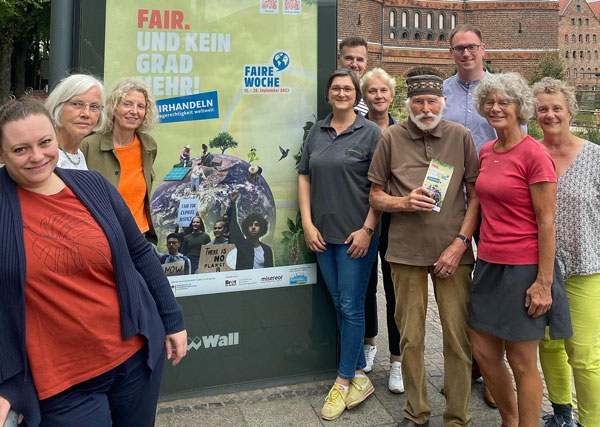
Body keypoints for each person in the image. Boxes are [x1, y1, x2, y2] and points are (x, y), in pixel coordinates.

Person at [0, 98, 187, 427]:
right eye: (20, 149)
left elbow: (140, 253)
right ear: (2, 155)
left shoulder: (93, 187)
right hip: (61, 382)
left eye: (45, 142)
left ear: (55, 138)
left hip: (133, 358)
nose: (37, 156)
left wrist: (173, 320)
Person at [369, 74, 479, 427]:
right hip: (405, 253)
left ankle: (457, 417)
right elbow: (375, 195)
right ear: (408, 105)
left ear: (443, 102)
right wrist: (402, 202)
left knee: (458, 339)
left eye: (432, 101)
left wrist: (460, 244)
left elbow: (475, 196)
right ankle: (416, 413)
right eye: (419, 102)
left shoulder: (460, 137)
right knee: (411, 338)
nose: (426, 108)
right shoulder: (391, 137)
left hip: (453, 251)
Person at [470, 72, 572, 427]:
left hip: (524, 268)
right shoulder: (486, 150)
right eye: (490, 102)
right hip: (488, 264)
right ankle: (509, 419)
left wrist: (544, 282)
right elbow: (479, 204)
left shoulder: (534, 154)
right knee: (483, 350)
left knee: (522, 359)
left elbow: (547, 222)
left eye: (504, 102)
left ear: (520, 108)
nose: (495, 108)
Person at [298, 69, 381, 421]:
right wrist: (306, 223)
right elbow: (304, 175)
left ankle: (344, 380)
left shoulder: (371, 132)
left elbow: (380, 185)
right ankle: (361, 374)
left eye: (348, 88)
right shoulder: (317, 130)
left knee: (350, 305)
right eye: (336, 88)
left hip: (355, 238)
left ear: (356, 94)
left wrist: (367, 229)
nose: (342, 93)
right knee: (339, 303)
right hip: (323, 234)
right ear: (328, 94)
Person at [534, 77, 600, 427]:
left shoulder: (595, 157)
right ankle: (561, 414)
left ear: (570, 111)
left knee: (586, 354)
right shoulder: (530, 154)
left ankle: (591, 421)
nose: (550, 114)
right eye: (543, 108)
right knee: (549, 345)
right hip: (541, 268)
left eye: (556, 107)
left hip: (586, 266)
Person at [442, 23, 497, 408]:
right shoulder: (440, 93)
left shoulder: (500, 89)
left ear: (482, 48)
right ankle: (467, 367)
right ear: (451, 52)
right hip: (452, 202)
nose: (466, 53)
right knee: (460, 289)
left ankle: (494, 372)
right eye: (459, 48)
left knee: (492, 286)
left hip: (492, 200)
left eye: (471, 47)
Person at [359, 67, 404, 394]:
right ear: (365, 96)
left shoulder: (402, 132)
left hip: (393, 219)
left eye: (383, 91)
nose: (378, 96)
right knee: (364, 284)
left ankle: (398, 360)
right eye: (371, 91)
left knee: (394, 288)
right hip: (360, 218)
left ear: (391, 96)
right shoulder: (357, 130)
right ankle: (369, 342)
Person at [81, 78, 159, 244]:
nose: (134, 111)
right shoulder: (88, 146)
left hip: (139, 236)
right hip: (102, 237)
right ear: (114, 107)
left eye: (141, 106)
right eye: (127, 104)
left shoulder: (149, 146)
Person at [44, 74, 105, 170]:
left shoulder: (78, 155)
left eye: (94, 106)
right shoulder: (45, 156)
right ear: (57, 107)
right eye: (77, 104)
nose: (86, 113)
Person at [229, 191, 273, 270]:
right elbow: (233, 225)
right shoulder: (241, 245)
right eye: (250, 225)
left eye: (256, 225)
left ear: (262, 228)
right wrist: (233, 203)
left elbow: (270, 271)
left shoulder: (267, 250)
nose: (253, 227)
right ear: (246, 227)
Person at [338, 36, 369, 116]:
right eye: (349, 58)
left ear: (366, 63)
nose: (354, 64)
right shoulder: (332, 93)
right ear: (338, 59)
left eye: (359, 60)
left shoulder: (371, 96)